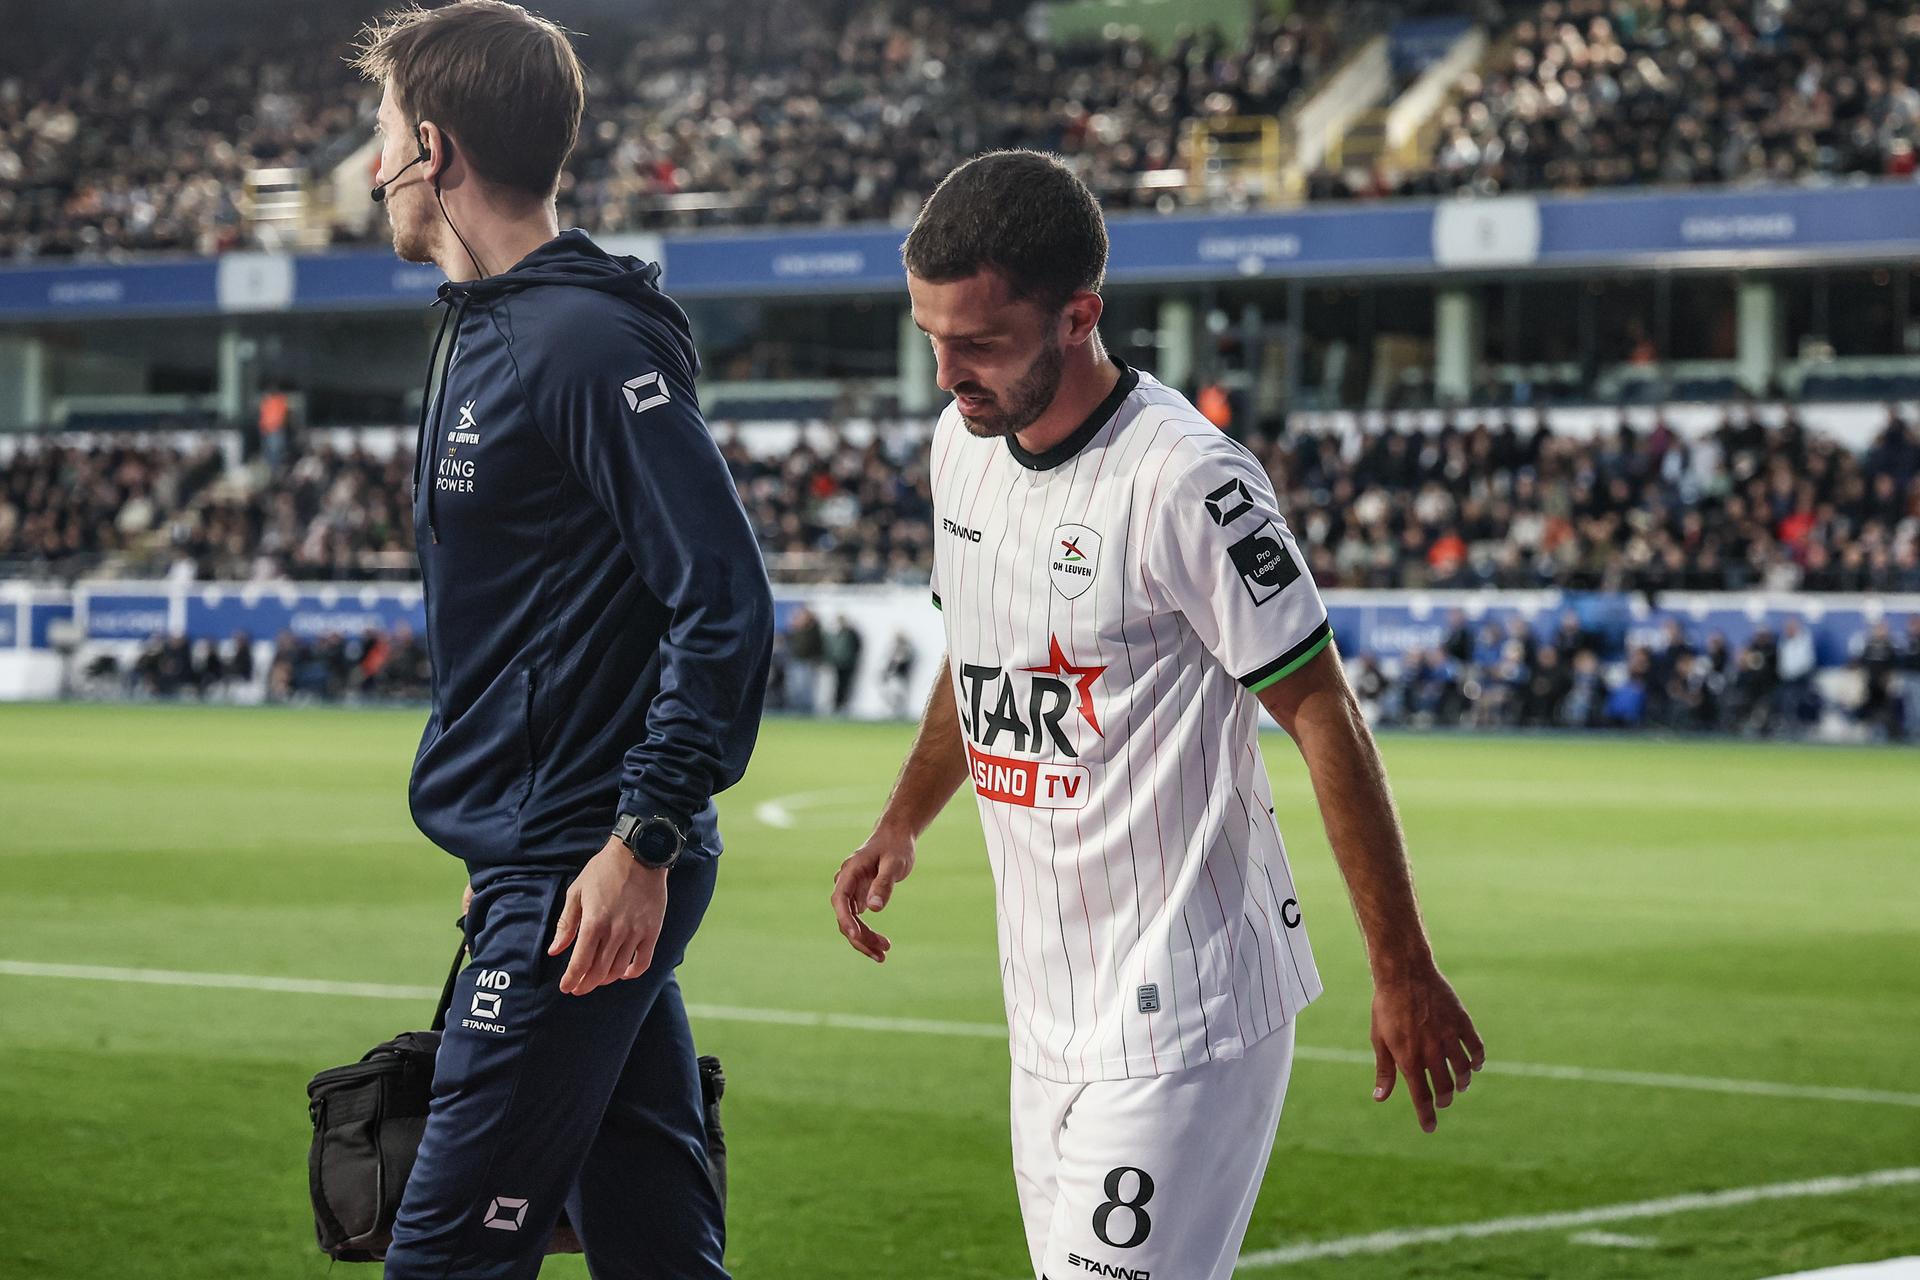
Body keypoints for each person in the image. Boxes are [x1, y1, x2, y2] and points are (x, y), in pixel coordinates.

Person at [828, 151, 1483, 1280]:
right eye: (931, 337)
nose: (946, 373)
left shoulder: (1187, 480)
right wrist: (903, 818)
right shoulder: (961, 450)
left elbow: (1322, 710)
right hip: (1045, 1012)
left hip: (1189, 1005)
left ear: (1079, 316)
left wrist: (1403, 965)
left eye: (978, 342)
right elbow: (978, 654)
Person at [354, 4, 773, 1277]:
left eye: (382, 133)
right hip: (546, 860)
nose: (371, 166)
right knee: (655, 1249)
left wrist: (639, 835)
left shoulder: (581, 338)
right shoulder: (492, 323)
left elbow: (723, 597)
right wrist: (508, 832)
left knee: (441, 1260)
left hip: (585, 867)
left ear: (434, 148)